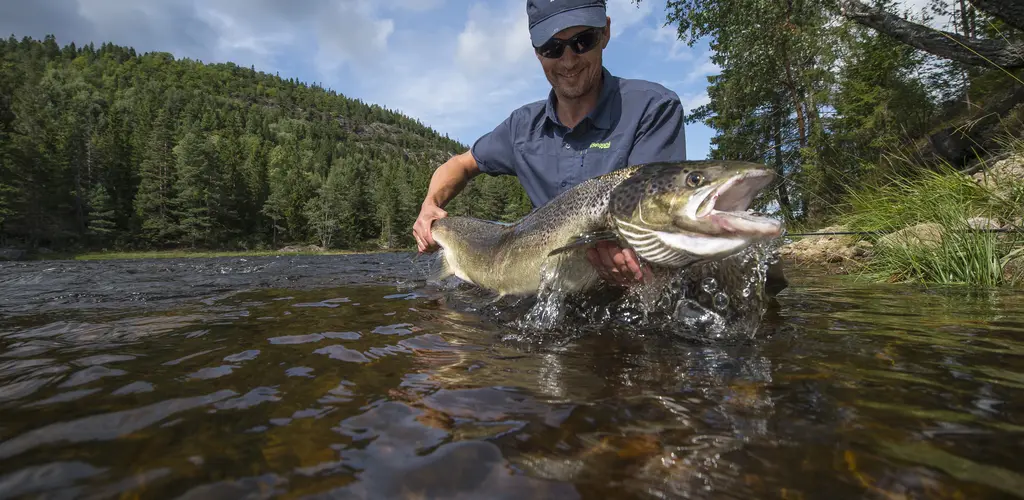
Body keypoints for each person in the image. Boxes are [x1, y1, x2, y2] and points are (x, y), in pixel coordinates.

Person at [412, 0, 688, 287]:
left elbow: (662, 215)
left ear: (605, 32)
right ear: (537, 53)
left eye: (583, 41)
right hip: (545, 279)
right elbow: (460, 164)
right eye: (552, 48)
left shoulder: (653, 108)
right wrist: (430, 205)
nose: (568, 61)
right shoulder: (520, 127)